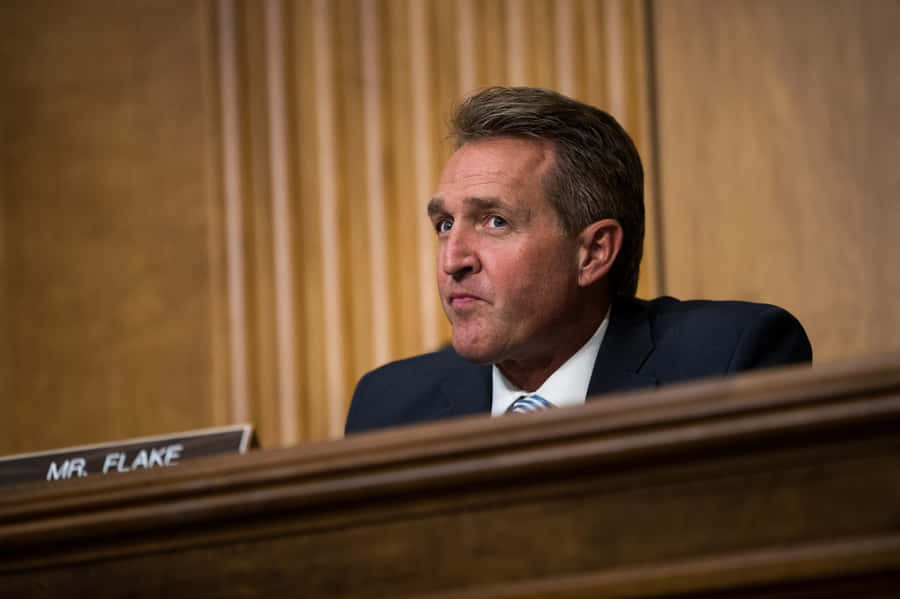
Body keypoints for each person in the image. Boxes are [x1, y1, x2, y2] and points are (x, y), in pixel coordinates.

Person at [345, 86, 811, 434]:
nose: (453, 259)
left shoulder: (727, 364)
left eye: (495, 222)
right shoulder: (388, 407)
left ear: (593, 252)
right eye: (445, 224)